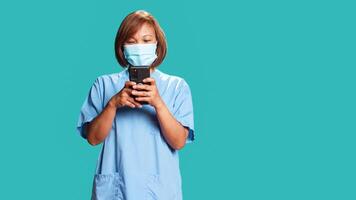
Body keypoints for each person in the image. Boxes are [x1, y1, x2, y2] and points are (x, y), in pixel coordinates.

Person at [76, 10, 195, 200]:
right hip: (115, 190)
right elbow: (93, 138)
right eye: (131, 41)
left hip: (159, 191)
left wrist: (158, 104)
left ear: (157, 46)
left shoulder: (177, 87)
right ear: (122, 47)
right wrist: (113, 104)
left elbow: (179, 141)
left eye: (146, 40)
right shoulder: (104, 85)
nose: (139, 46)